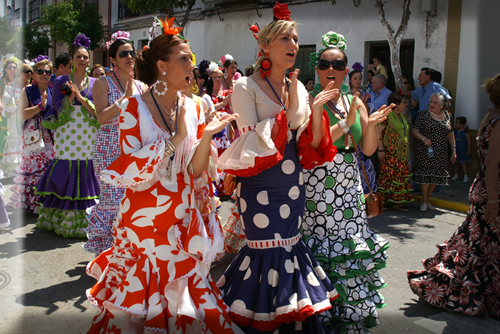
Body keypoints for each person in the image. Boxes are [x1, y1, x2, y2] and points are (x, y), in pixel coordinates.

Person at [85, 17, 241, 332]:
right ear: (162, 66)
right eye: (184, 58)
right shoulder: (132, 108)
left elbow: (195, 170)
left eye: (192, 58)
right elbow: (132, 169)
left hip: (182, 217)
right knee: (142, 303)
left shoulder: (196, 107)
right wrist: (176, 139)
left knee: (184, 299)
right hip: (143, 222)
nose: (191, 65)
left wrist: (207, 136)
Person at [216, 7, 340, 332]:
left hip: (292, 182)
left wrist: (312, 109)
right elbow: (250, 135)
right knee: (265, 249)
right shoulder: (246, 85)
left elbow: (306, 138)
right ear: (266, 46)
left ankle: (290, 321)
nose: (293, 44)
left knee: (290, 245)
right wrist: (294, 112)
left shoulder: (297, 86)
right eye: (285, 37)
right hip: (259, 183)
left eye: (296, 38)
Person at [303, 31, 393, 333]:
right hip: (319, 186)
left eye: (338, 65)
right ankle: (320, 312)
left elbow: (366, 149)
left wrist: (373, 124)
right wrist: (346, 119)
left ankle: (349, 310)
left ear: (345, 70)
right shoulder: (310, 102)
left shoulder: (355, 100)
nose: (332, 71)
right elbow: (316, 146)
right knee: (321, 249)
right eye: (326, 65)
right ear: (317, 69)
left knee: (348, 251)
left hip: (349, 187)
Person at [407, 74, 500, 317]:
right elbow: (491, 162)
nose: (434, 107)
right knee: (483, 245)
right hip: (491, 189)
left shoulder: (489, 116)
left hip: (476, 180)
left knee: (478, 241)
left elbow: (452, 135)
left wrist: (454, 149)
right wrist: (493, 199)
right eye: (433, 104)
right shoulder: (498, 120)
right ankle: (465, 288)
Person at [84, 31, 146, 255]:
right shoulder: (102, 82)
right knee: (112, 200)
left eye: (131, 53)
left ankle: (130, 250)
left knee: (133, 199)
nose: (129, 57)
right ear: (112, 59)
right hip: (109, 145)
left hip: (133, 147)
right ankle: (111, 255)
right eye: (123, 54)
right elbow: (101, 117)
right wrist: (123, 99)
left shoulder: (141, 85)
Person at [35, 34, 100, 237]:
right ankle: (62, 218)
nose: (82, 60)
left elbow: (99, 110)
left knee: (86, 165)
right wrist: (69, 100)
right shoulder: (61, 80)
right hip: (67, 129)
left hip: (88, 131)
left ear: (89, 61)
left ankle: (88, 218)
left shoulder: (95, 82)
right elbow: (53, 108)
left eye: (85, 57)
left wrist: (79, 97)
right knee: (67, 163)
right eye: (79, 56)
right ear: (72, 60)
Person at [7, 56, 55, 212]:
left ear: (50, 74)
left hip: (50, 135)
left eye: (47, 72)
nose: (43, 74)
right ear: (34, 74)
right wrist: (40, 106)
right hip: (32, 135)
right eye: (40, 71)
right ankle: (33, 202)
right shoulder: (27, 91)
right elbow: (23, 114)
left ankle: (45, 202)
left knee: (48, 167)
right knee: (33, 168)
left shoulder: (54, 91)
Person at [411, 92, 456, 212]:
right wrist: (424, 138)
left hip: (441, 152)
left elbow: (450, 134)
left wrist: (454, 149)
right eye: (431, 101)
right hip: (425, 151)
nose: (432, 104)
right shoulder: (423, 115)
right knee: (425, 177)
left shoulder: (447, 116)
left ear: (441, 105)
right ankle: (424, 201)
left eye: (435, 102)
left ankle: (427, 200)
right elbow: (415, 131)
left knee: (436, 177)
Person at [377, 93, 413, 210]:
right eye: (403, 102)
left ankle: (398, 201)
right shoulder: (387, 116)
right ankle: (382, 201)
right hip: (389, 153)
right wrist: (381, 149)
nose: (405, 104)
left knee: (399, 177)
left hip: (400, 154)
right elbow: (378, 132)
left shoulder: (401, 117)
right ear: (397, 104)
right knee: (388, 176)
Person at [349, 62, 378, 194]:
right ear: (349, 79)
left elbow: (367, 115)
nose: (358, 80)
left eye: (360, 78)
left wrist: (365, 105)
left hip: (363, 131)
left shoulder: (366, 94)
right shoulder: (345, 94)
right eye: (355, 78)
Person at [2, 63, 32, 176]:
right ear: (19, 73)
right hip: (15, 120)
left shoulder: (31, 87)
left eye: (30, 71)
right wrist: (17, 102)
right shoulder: (11, 86)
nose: (28, 74)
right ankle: (13, 171)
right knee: (16, 141)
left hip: (28, 120)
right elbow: (6, 103)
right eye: (25, 71)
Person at [0, 58, 18, 158]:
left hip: (15, 113)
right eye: (10, 67)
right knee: (3, 135)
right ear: (5, 69)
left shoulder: (18, 82)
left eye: (14, 67)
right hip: (3, 113)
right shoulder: (1, 81)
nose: (12, 69)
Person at [451, 116, 472, 183]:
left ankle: (466, 176)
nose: (455, 124)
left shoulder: (465, 132)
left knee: (463, 163)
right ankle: (456, 175)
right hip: (457, 149)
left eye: (457, 123)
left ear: (462, 125)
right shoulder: (455, 132)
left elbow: (469, 141)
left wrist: (468, 150)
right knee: (456, 162)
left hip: (463, 149)